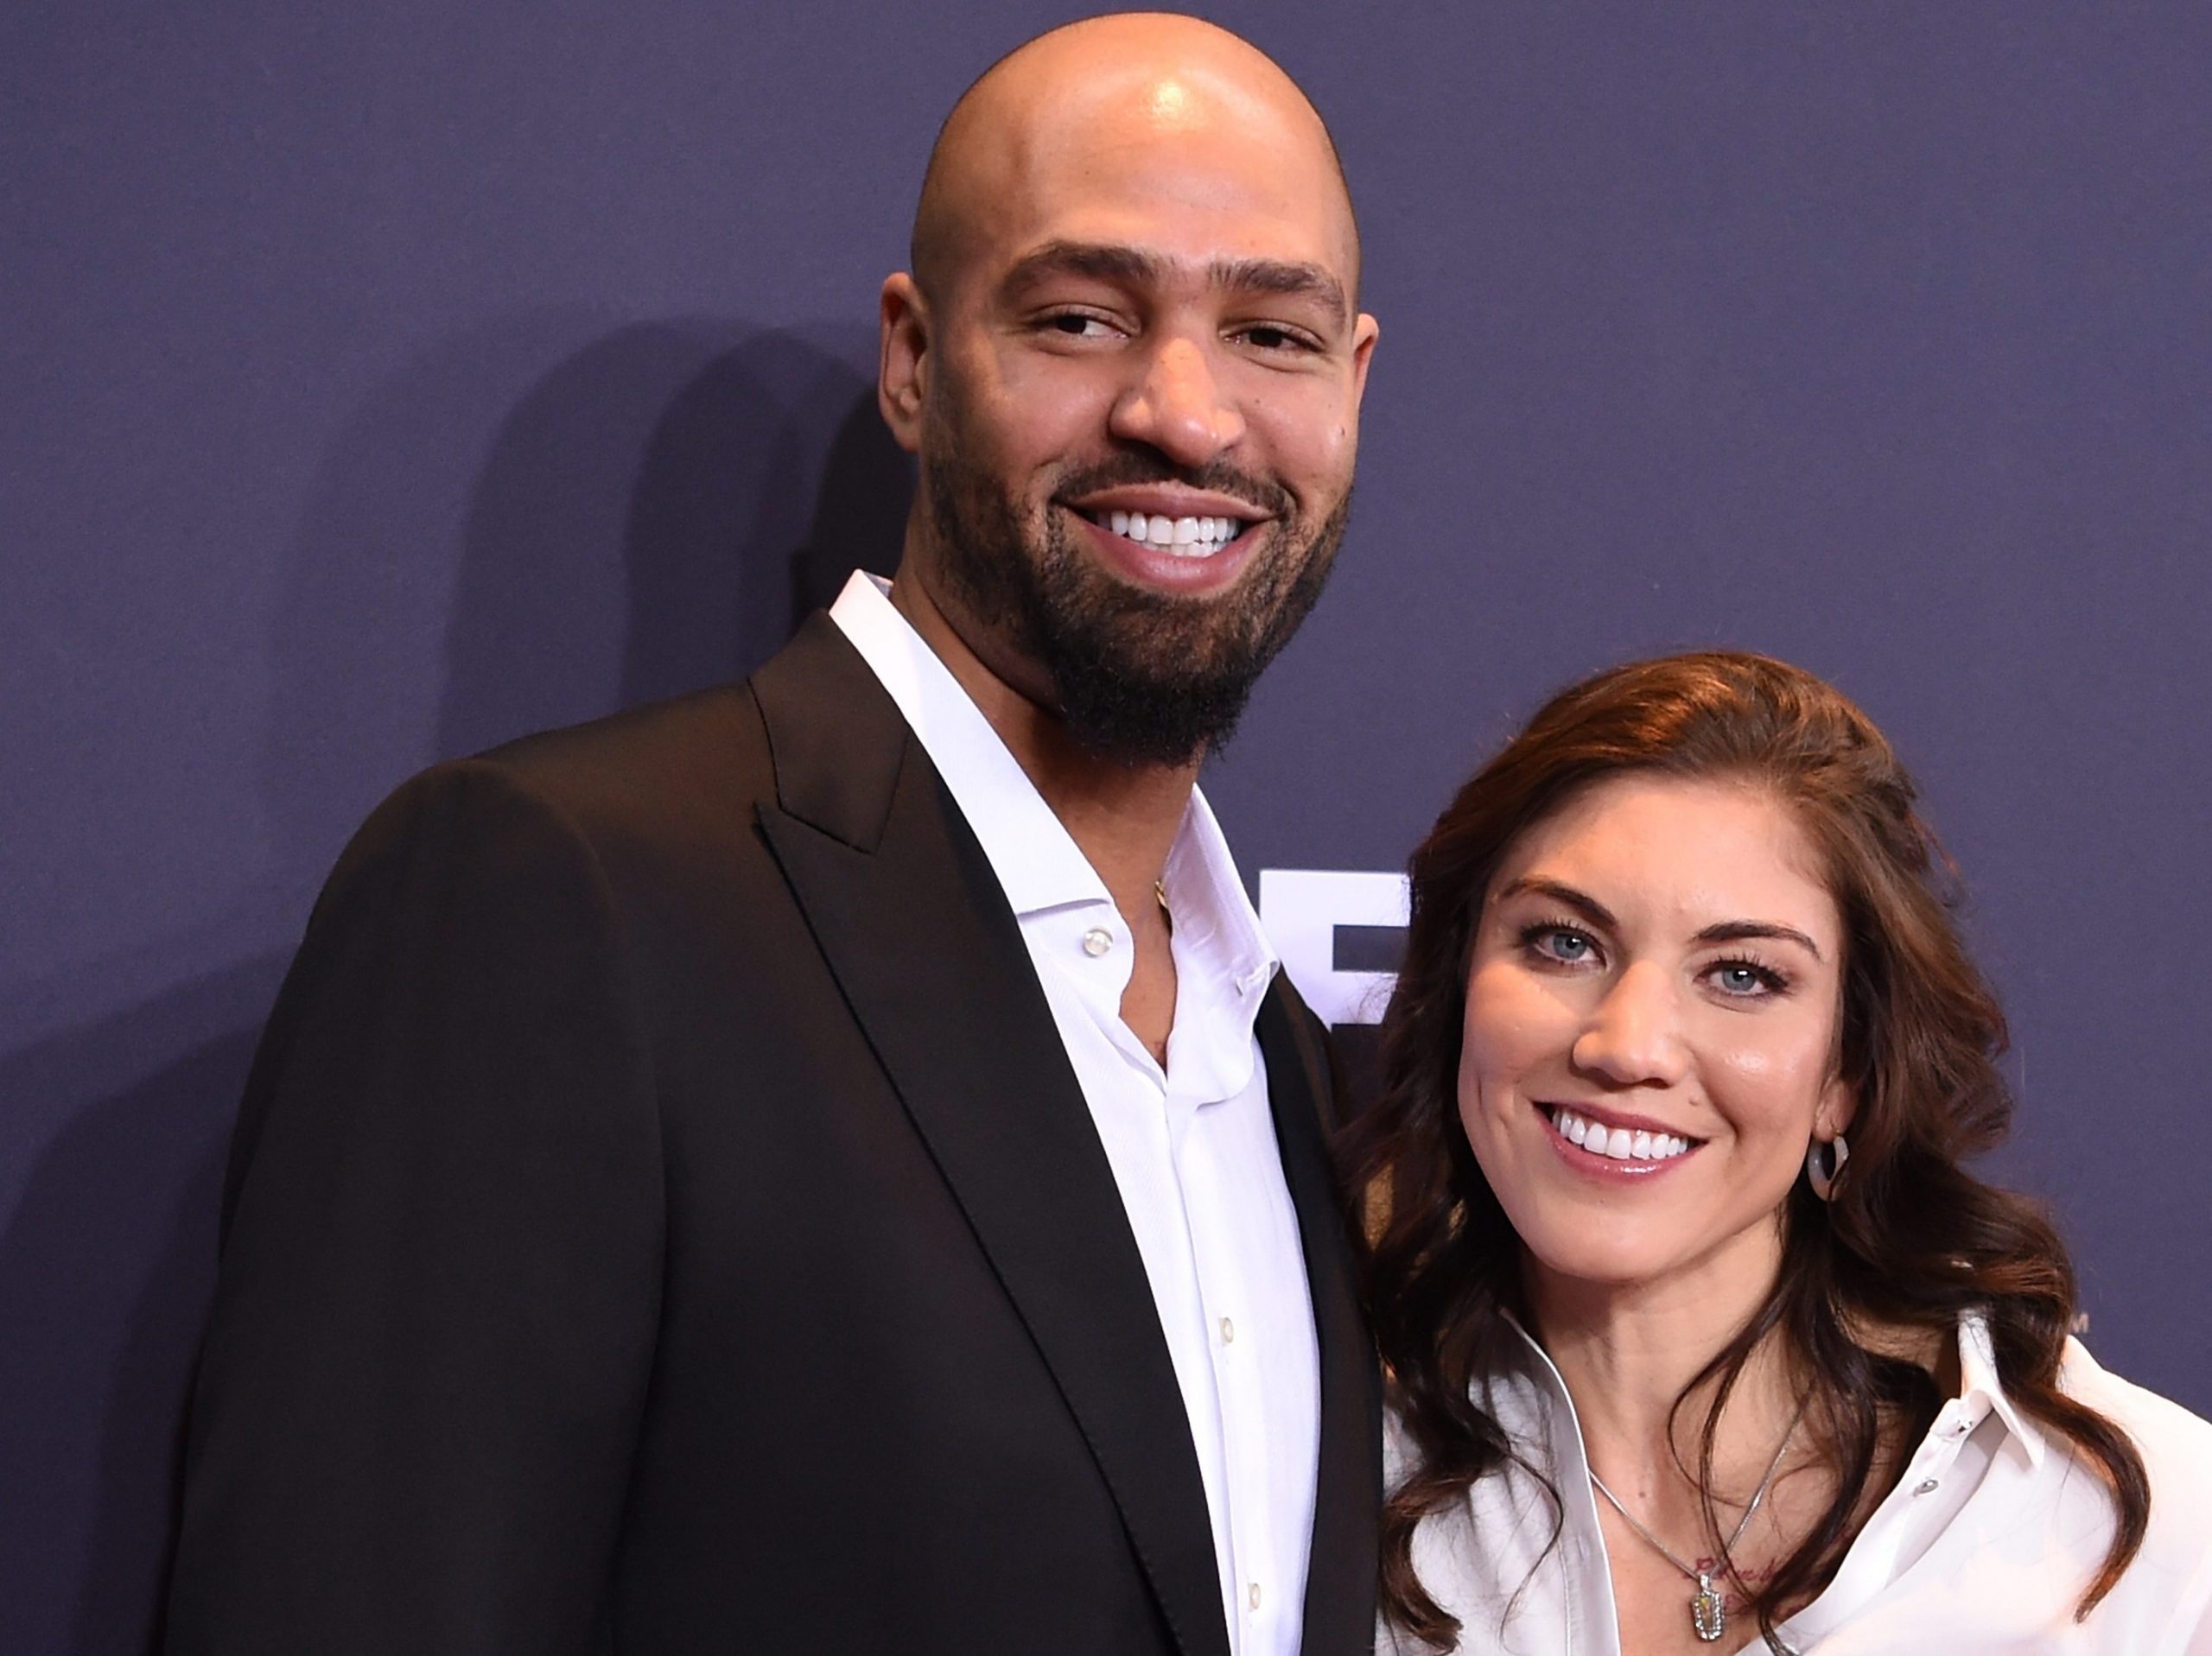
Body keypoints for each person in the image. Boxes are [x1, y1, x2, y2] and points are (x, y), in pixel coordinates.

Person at [162, 15, 1382, 1655]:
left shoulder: (1287, 1061)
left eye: (1273, 336)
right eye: (1083, 316)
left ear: (1353, 382)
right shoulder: (567, 897)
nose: (1190, 415)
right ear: (913, 354)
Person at [1342, 652, 2212, 1654]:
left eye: (1743, 976)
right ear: (1457, 995)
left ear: (1844, 1072)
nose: (1626, 1046)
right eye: (1563, 943)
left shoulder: (2143, 1540)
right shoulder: (1302, 1481)